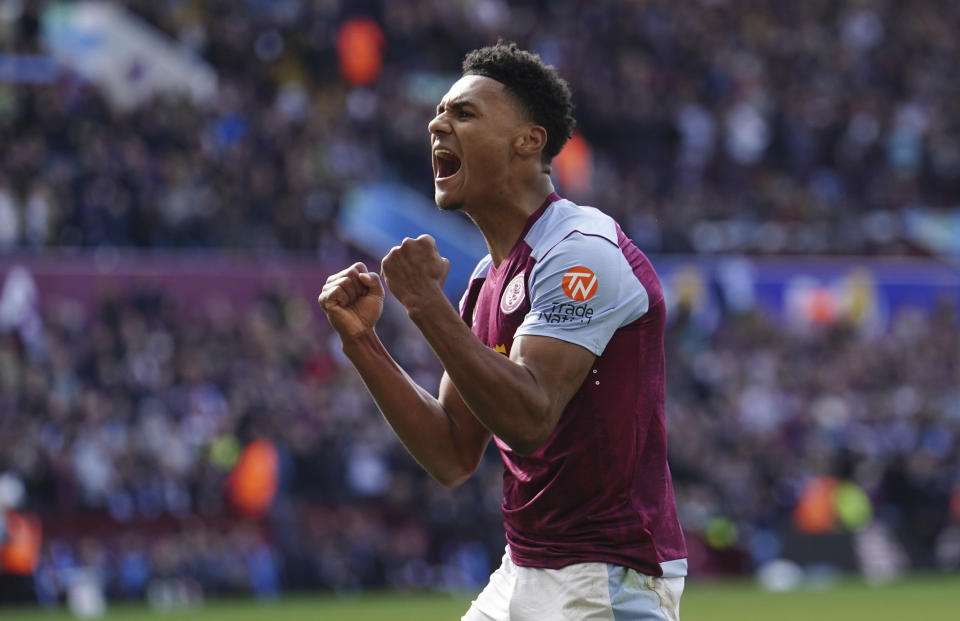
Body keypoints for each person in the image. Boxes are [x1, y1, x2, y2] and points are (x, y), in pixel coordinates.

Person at [318, 41, 687, 620]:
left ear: (528, 141)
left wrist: (423, 304)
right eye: (438, 112)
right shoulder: (489, 279)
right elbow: (451, 453)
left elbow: (531, 418)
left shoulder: (581, 253)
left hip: (602, 579)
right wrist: (362, 341)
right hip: (524, 569)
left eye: (463, 113)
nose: (437, 124)